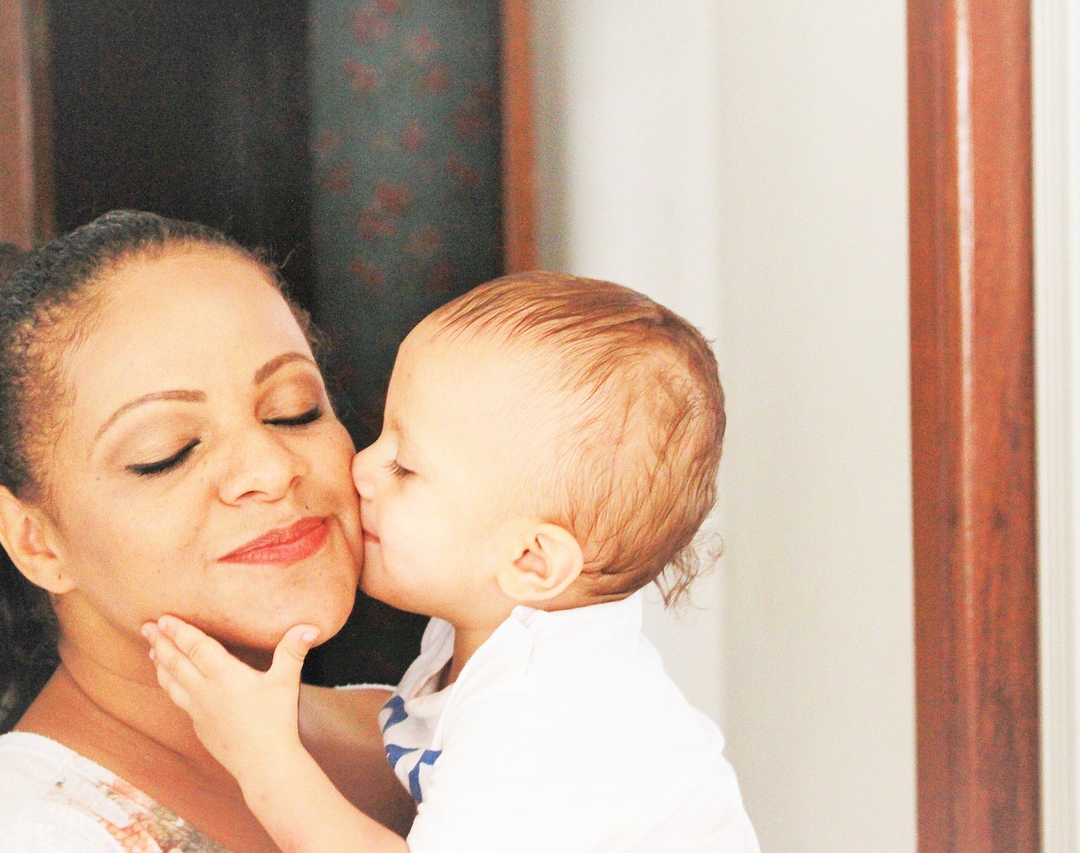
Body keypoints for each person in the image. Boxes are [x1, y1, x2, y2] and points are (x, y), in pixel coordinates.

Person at [146, 271, 761, 851]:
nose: (361, 466)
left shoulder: (539, 717)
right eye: (382, 434)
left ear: (531, 559)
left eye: (405, 467)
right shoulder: (502, 629)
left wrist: (265, 760)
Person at [0, 210, 414, 851]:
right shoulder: (36, 838)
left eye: (293, 411)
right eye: (167, 452)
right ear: (35, 539)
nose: (272, 471)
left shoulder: (440, 733)